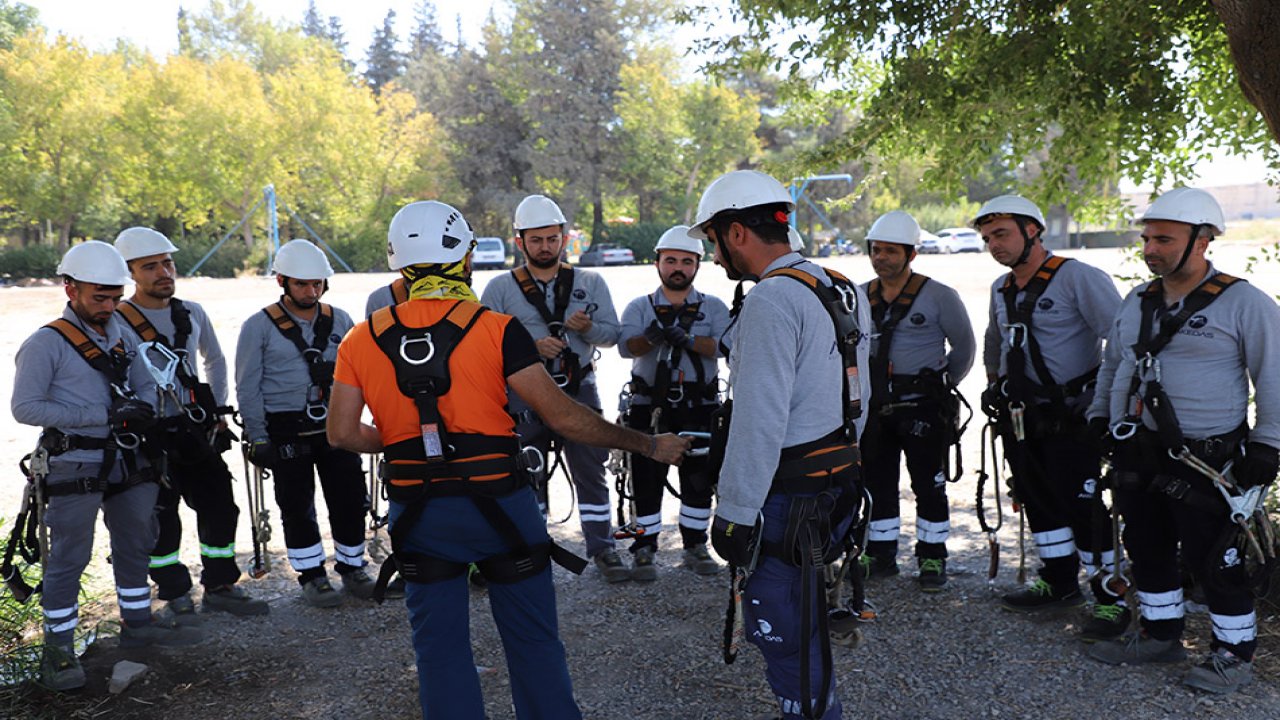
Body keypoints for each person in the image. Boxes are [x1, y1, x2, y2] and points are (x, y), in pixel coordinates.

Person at [326, 200, 688, 719]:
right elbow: (564, 417)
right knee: (533, 643)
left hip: (418, 511)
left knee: (439, 653)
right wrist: (648, 445)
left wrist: (407, 440)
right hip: (500, 506)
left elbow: (341, 432)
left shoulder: (362, 338)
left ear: (399, 261)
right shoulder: (495, 328)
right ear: (464, 257)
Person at [1085, 187, 1280, 693]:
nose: (1150, 249)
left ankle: (1233, 654)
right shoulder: (1138, 300)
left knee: (1213, 557)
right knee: (1145, 546)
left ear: (1203, 240)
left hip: (1206, 459)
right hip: (1138, 451)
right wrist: (1100, 415)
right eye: (1147, 239)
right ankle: (1160, 634)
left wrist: (1268, 443)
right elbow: (1114, 363)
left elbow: (1275, 376)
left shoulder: (1245, 303)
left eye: (1164, 240)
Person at [696, 170, 871, 720]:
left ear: (736, 232)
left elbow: (758, 419)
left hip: (787, 499)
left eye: (713, 241)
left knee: (783, 631)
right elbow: (859, 394)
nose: (714, 256)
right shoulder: (838, 284)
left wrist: (735, 512)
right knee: (806, 617)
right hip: (836, 483)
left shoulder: (771, 299)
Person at [12, 241, 202, 691]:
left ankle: (137, 624)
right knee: (69, 557)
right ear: (70, 289)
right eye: (100, 298)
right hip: (75, 461)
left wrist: (143, 406)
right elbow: (25, 407)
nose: (109, 306)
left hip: (129, 457)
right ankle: (58, 651)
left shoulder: (122, 333)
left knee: (137, 541)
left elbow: (144, 379)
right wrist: (102, 415)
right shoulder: (46, 343)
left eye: (115, 297)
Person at [976, 195, 1126, 640]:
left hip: (1072, 417)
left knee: (1083, 506)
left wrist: (1104, 404)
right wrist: (994, 384)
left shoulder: (1078, 278)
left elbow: (1122, 342)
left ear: (1032, 231)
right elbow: (994, 340)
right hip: (1022, 419)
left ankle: (1111, 599)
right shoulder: (1001, 288)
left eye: (1001, 234)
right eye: (987, 238)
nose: (994, 245)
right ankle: (1060, 581)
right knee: (1036, 497)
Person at [113, 227, 268, 619]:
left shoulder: (191, 313)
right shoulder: (117, 320)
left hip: (196, 429)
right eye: (150, 266)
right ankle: (174, 592)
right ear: (130, 273)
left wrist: (217, 411)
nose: (164, 272)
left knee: (220, 506)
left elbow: (215, 359)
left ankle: (220, 584)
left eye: (167, 263)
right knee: (161, 516)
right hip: (150, 434)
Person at [479, 194, 628, 582]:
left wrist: (588, 329)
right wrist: (530, 346)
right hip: (524, 393)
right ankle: (531, 547)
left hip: (579, 388)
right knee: (527, 470)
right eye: (536, 240)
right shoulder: (499, 288)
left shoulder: (590, 282)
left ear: (564, 237)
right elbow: (483, 345)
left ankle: (603, 548)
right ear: (520, 242)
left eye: (552, 238)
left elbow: (613, 336)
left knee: (591, 468)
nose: (545, 247)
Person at [234, 239, 373, 607]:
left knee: (350, 498)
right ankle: (312, 576)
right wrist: (258, 436)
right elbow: (247, 386)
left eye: (317, 284)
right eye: (301, 284)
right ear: (282, 281)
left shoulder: (340, 320)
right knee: (297, 505)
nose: (311, 292)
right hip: (285, 429)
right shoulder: (258, 327)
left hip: (336, 425)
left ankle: (353, 567)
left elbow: (363, 374)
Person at [859, 211, 975, 590]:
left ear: (911, 254)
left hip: (923, 405)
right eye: (876, 250)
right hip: (875, 408)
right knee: (877, 482)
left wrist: (940, 386)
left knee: (929, 484)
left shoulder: (939, 296)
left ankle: (932, 557)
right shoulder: (859, 297)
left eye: (890, 251)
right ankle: (880, 553)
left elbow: (964, 348)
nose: (881, 258)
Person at [616, 225, 730, 580]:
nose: (678, 268)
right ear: (657, 263)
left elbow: (726, 347)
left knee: (698, 479)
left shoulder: (714, 307)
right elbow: (625, 348)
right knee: (645, 478)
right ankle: (644, 547)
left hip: (699, 405)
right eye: (671, 261)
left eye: (686, 261)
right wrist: (650, 338)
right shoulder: (640, 307)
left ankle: (695, 544)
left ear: (697, 265)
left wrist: (690, 340)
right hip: (649, 406)